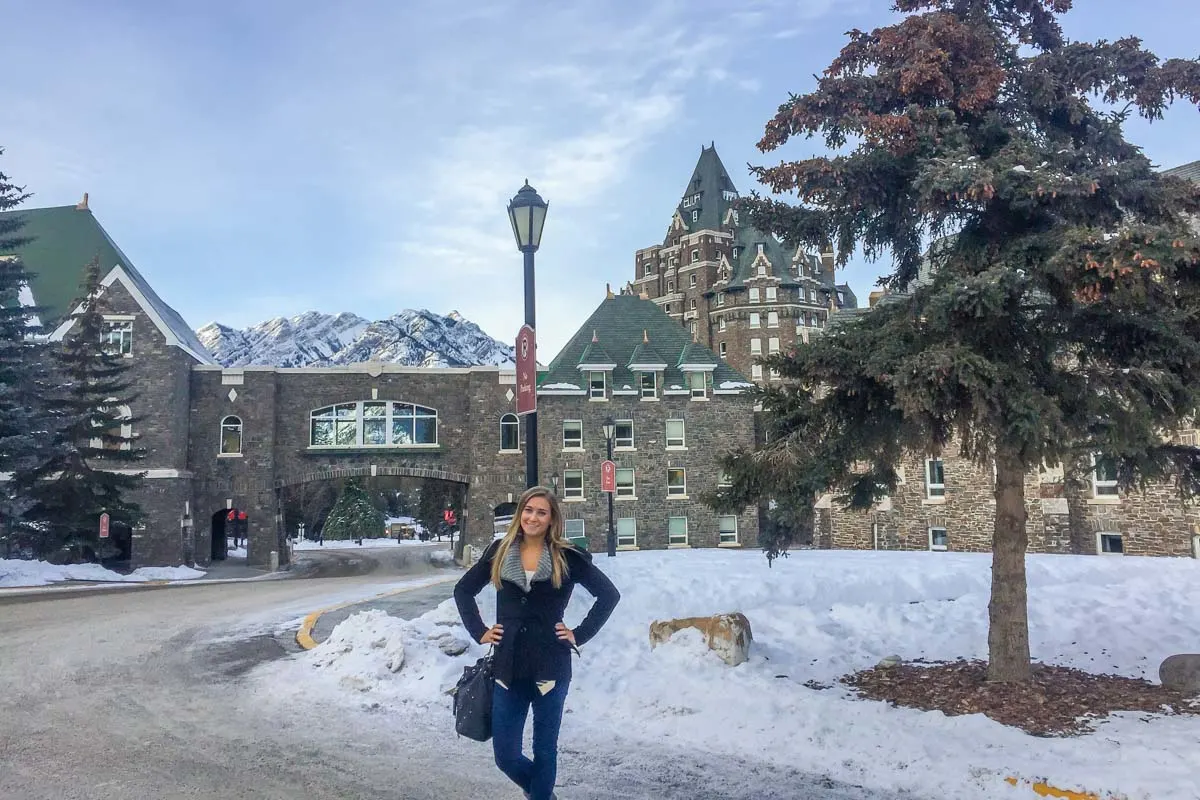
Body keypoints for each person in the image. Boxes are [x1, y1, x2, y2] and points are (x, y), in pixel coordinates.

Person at [454, 486, 620, 800]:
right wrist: (480, 631)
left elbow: (609, 595)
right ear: (520, 514)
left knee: (545, 750)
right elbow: (463, 590)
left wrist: (578, 634)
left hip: (551, 667)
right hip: (508, 667)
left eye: (541, 512)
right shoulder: (500, 550)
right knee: (506, 755)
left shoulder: (567, 556)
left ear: (551, 518)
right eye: (528, 510)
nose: (533, 517)